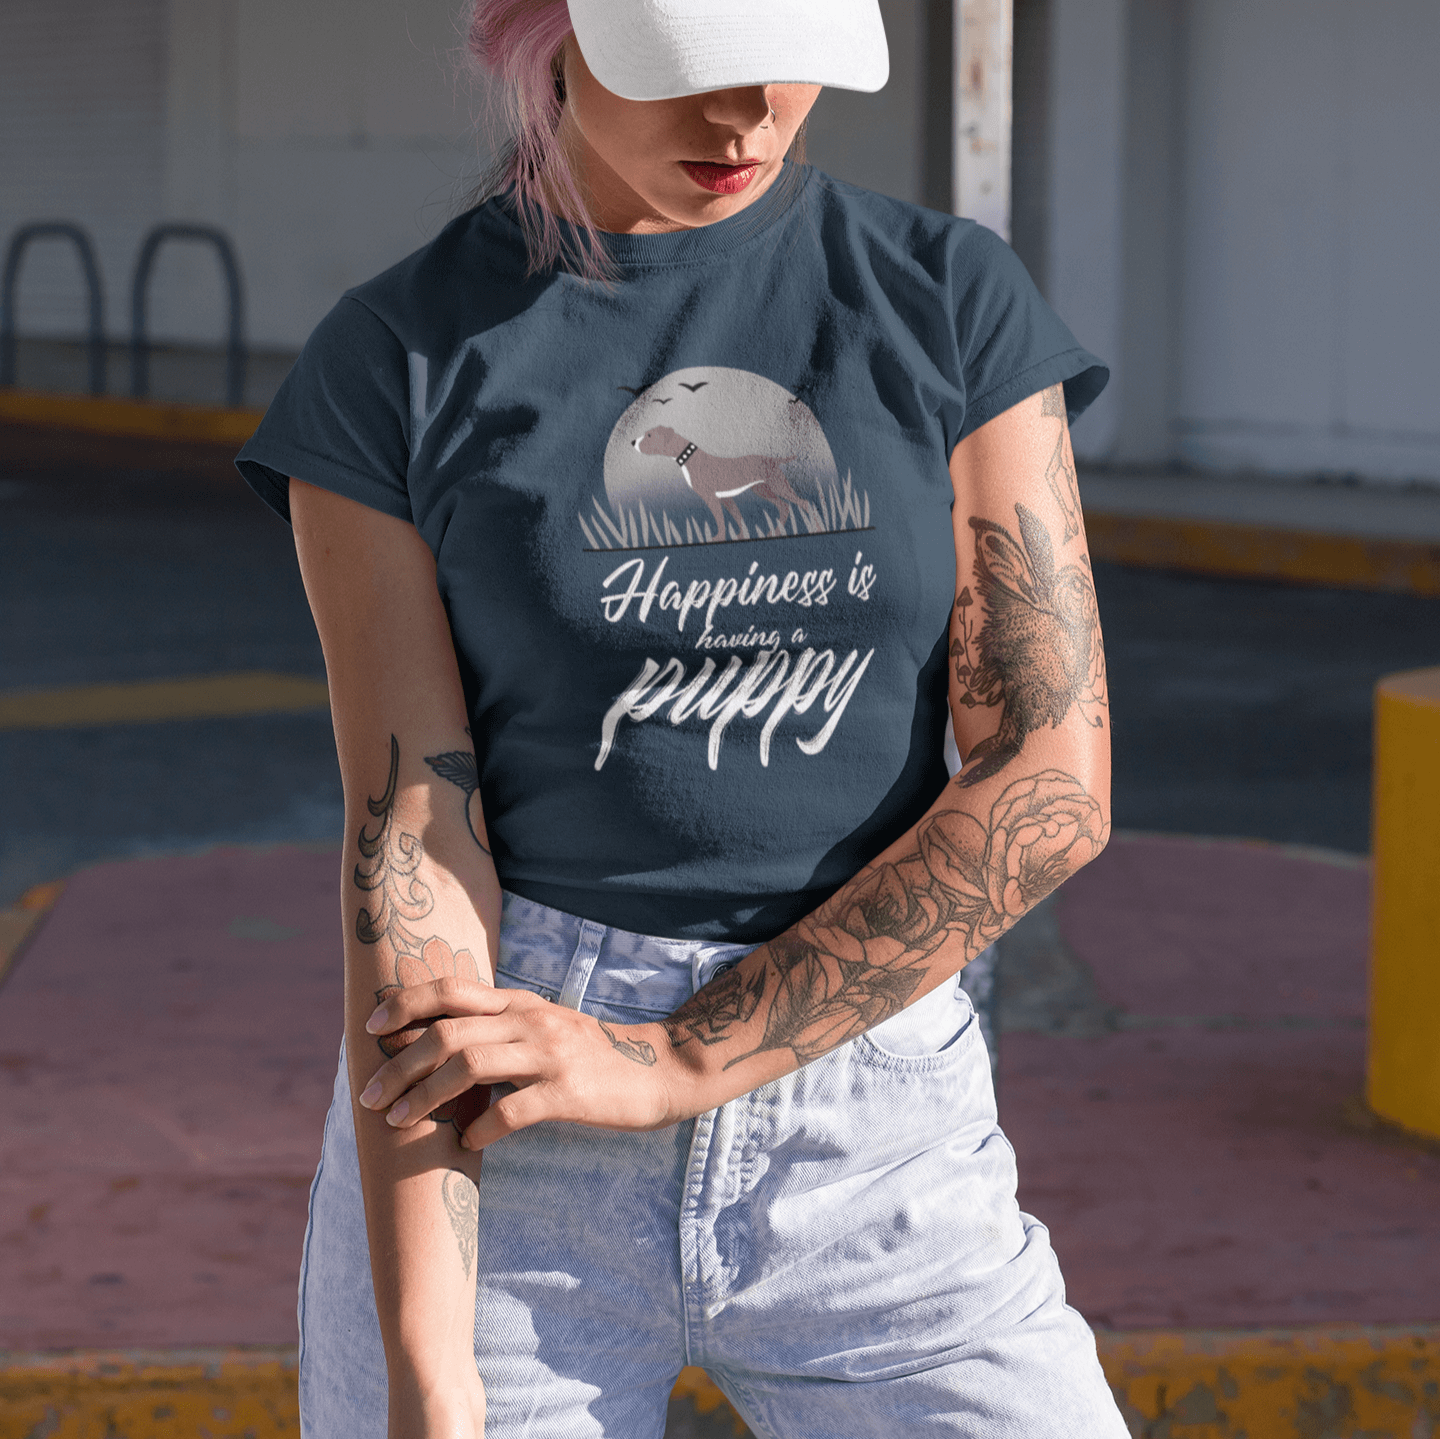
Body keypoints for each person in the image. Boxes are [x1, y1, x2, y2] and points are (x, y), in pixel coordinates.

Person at [236, 1, 1126, 1434]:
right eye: (687, 70)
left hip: (873, 1122)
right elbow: (412, 839)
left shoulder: (947, 298)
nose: (748, 116)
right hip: (513, 1122)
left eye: (789, 63)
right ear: (547, 33)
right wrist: (425, 1359)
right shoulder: (396, 360)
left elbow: (1050, 776)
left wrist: (679, 1058)